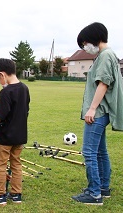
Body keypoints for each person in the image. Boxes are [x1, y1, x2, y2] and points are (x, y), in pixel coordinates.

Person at [71, 22, 123, 205]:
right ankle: (103, 188)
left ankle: (94, 194)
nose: (85, 47)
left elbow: (103, 83)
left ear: (95, 38)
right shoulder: (106, 55)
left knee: (89, 152)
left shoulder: (106, 56)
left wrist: (91, 109)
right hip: (101, 111)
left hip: (99, 112)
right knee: (101, 151)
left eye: (85, 43)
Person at [0, 58, 30, 206]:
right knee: (16, 164)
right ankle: (16, 194)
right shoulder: (25, 88)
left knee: (0, 165)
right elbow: (26, 111)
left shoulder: (6, 92)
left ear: (2, 75)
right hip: (20, 136)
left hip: (5, 137)